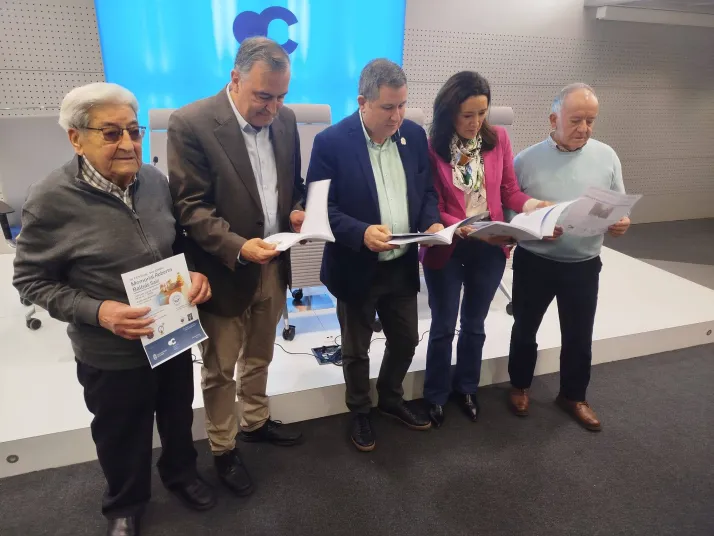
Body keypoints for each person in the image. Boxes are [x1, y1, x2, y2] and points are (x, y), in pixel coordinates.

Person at [12, 82, 216, 536]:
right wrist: (98, 311)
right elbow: (29, 280)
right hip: (109, 350)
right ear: (76, 138)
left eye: (133, 131)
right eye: (110, 133)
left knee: (177, 413)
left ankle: (180, 474)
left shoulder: (155, 182)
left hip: (170, 334)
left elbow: (177, 242)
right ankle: (125, 503)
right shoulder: (50, 198)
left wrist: (194, 273)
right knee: (121, 430)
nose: (127, 143)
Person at [168, 37, 306, 495]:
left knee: (261, 353)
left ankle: (256, 421)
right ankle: (223, 448)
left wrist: (298, 211)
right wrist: (239, 247)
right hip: (224, 268)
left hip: (274, 262)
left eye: (281, 97)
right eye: (264, 96)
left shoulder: (286, 120)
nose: (273, 108)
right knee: (220, 367)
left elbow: (293, 185)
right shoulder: (191, 123)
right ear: (235, 79)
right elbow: (190, 207)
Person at [307, 59, 443, 452]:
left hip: (400, 263)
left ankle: (390, 397)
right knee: (356, 349)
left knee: (406, 339)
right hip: (355, 265)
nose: (397, 116)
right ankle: (360, 410)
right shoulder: (331, 142)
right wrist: (360, 232)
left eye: (402, 105)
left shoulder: (413, 135)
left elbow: (426, 192)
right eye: (388, 107)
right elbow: (320, 208)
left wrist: (431, 222)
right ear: (362, 102)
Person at [420, 71, 552, 428]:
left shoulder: (498, 139)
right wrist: (463, 226)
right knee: (444, 324)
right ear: (449, 112)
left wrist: (534, 206)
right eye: (467, 115)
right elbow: (431, 204)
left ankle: (466, 388)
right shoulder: (432, 147)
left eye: (482, 113)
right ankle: (435, 394)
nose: (476, 122)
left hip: (489, 246)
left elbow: (509, 190)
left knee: (475, 323)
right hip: (449, 244)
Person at [507, 83, 630, 431]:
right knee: (525, 328)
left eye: (591, 121)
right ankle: (519, 386)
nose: (584, 129)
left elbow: (618, 205)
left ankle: (574, 395)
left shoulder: (607, 156)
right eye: (576, 120)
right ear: (553, 119)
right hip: (535, 261)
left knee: (579, 335)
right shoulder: (526, 160)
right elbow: (509, 214)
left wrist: (621, 223)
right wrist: (535, 229)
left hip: (583, 263)